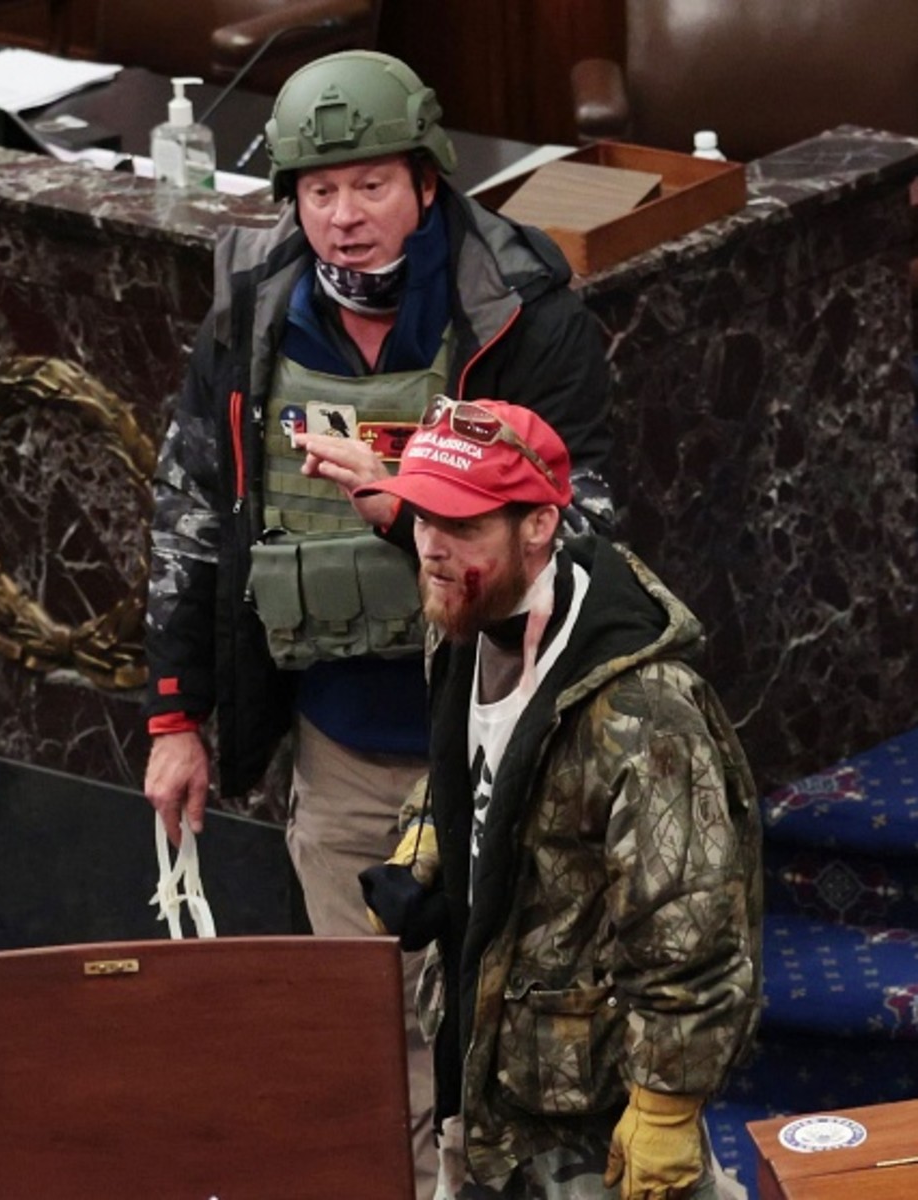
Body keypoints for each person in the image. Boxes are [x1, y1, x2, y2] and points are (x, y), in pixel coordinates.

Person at [142, 49, 614, 1200]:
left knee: (522, 1031)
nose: (344, 219)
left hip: (504, 745)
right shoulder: (255, 305)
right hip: (346, 747)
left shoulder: (522, 313)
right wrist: (175, 715)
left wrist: (411, 508)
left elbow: (582, 532)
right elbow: (193, 514)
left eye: (370, 186)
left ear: (428, 179)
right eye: (318, 192)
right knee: (375, 1035)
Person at [355, 397, 763, 1200]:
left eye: (462, 524)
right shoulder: (463, 613)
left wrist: (666, 1105)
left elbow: (692, 923)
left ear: (538, 526)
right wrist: (426, 841)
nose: (431, 546)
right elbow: (470, 765)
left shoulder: (643, 709)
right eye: (423, 513)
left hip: (590, 1116)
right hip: (484, 1071)